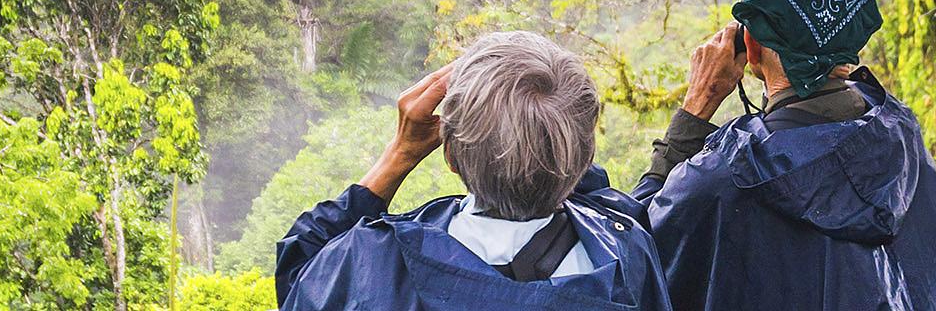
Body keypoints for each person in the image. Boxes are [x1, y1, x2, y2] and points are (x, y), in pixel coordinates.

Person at [633, 0, 936, 310]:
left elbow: (631, 257)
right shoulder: (898, 131)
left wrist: (697, 106)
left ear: (750, 46)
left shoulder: (723, 179)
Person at [274, 31, 674, 311]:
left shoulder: (368, 261)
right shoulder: (627, 255)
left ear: (450, 156)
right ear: (583, 158)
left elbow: (300, 276)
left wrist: (399, 154)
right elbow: (604, 196)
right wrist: (548, 130)